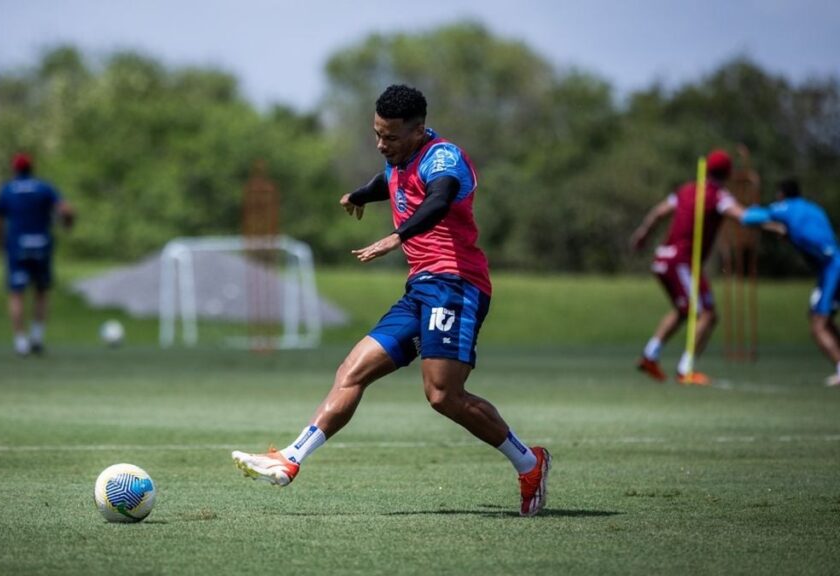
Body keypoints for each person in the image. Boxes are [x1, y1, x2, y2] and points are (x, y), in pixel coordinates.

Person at [231, 84, 551, 517]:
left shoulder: (444, 158)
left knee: (442, 395)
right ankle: (291, 457)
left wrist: (395, 237)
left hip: (456, 286)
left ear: (419, 131)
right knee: (351, 370)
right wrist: (361, 194)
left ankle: (530, 464)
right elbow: (389, 179)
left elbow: (438, 200)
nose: (382, 144)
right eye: (377, 134)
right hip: (420, 289)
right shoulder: (400, 156)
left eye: (391, 137)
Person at [629, 150, 745, 385]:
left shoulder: (686, 189)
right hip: (681, 261)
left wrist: (642, 234)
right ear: (728, 173)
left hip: (664, 259)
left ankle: (650, 356)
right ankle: (686, 370)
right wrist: (774, 221)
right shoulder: (718, 196)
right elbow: (743, 216)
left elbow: (659, 212)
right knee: (707, 314)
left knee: (684, 310)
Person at [739, 178, 840, 387]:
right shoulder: (813, 209)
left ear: (781, 195)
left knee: (818, 325)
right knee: (823, 318)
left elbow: (749, 218)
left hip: (832, 270)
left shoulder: (786, 208)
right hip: (832, 265)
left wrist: (753, 210)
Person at [0, 153, 74, 356]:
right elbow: (65, 209)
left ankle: (20, 342)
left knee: (16, 294)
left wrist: (1, 242)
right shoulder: (44, 187)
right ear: (32, 167)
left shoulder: (7, 190)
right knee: (41, 291)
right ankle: (37, 338)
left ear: (14, 168)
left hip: (17, 246)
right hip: (42, 245)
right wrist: (67, 224)